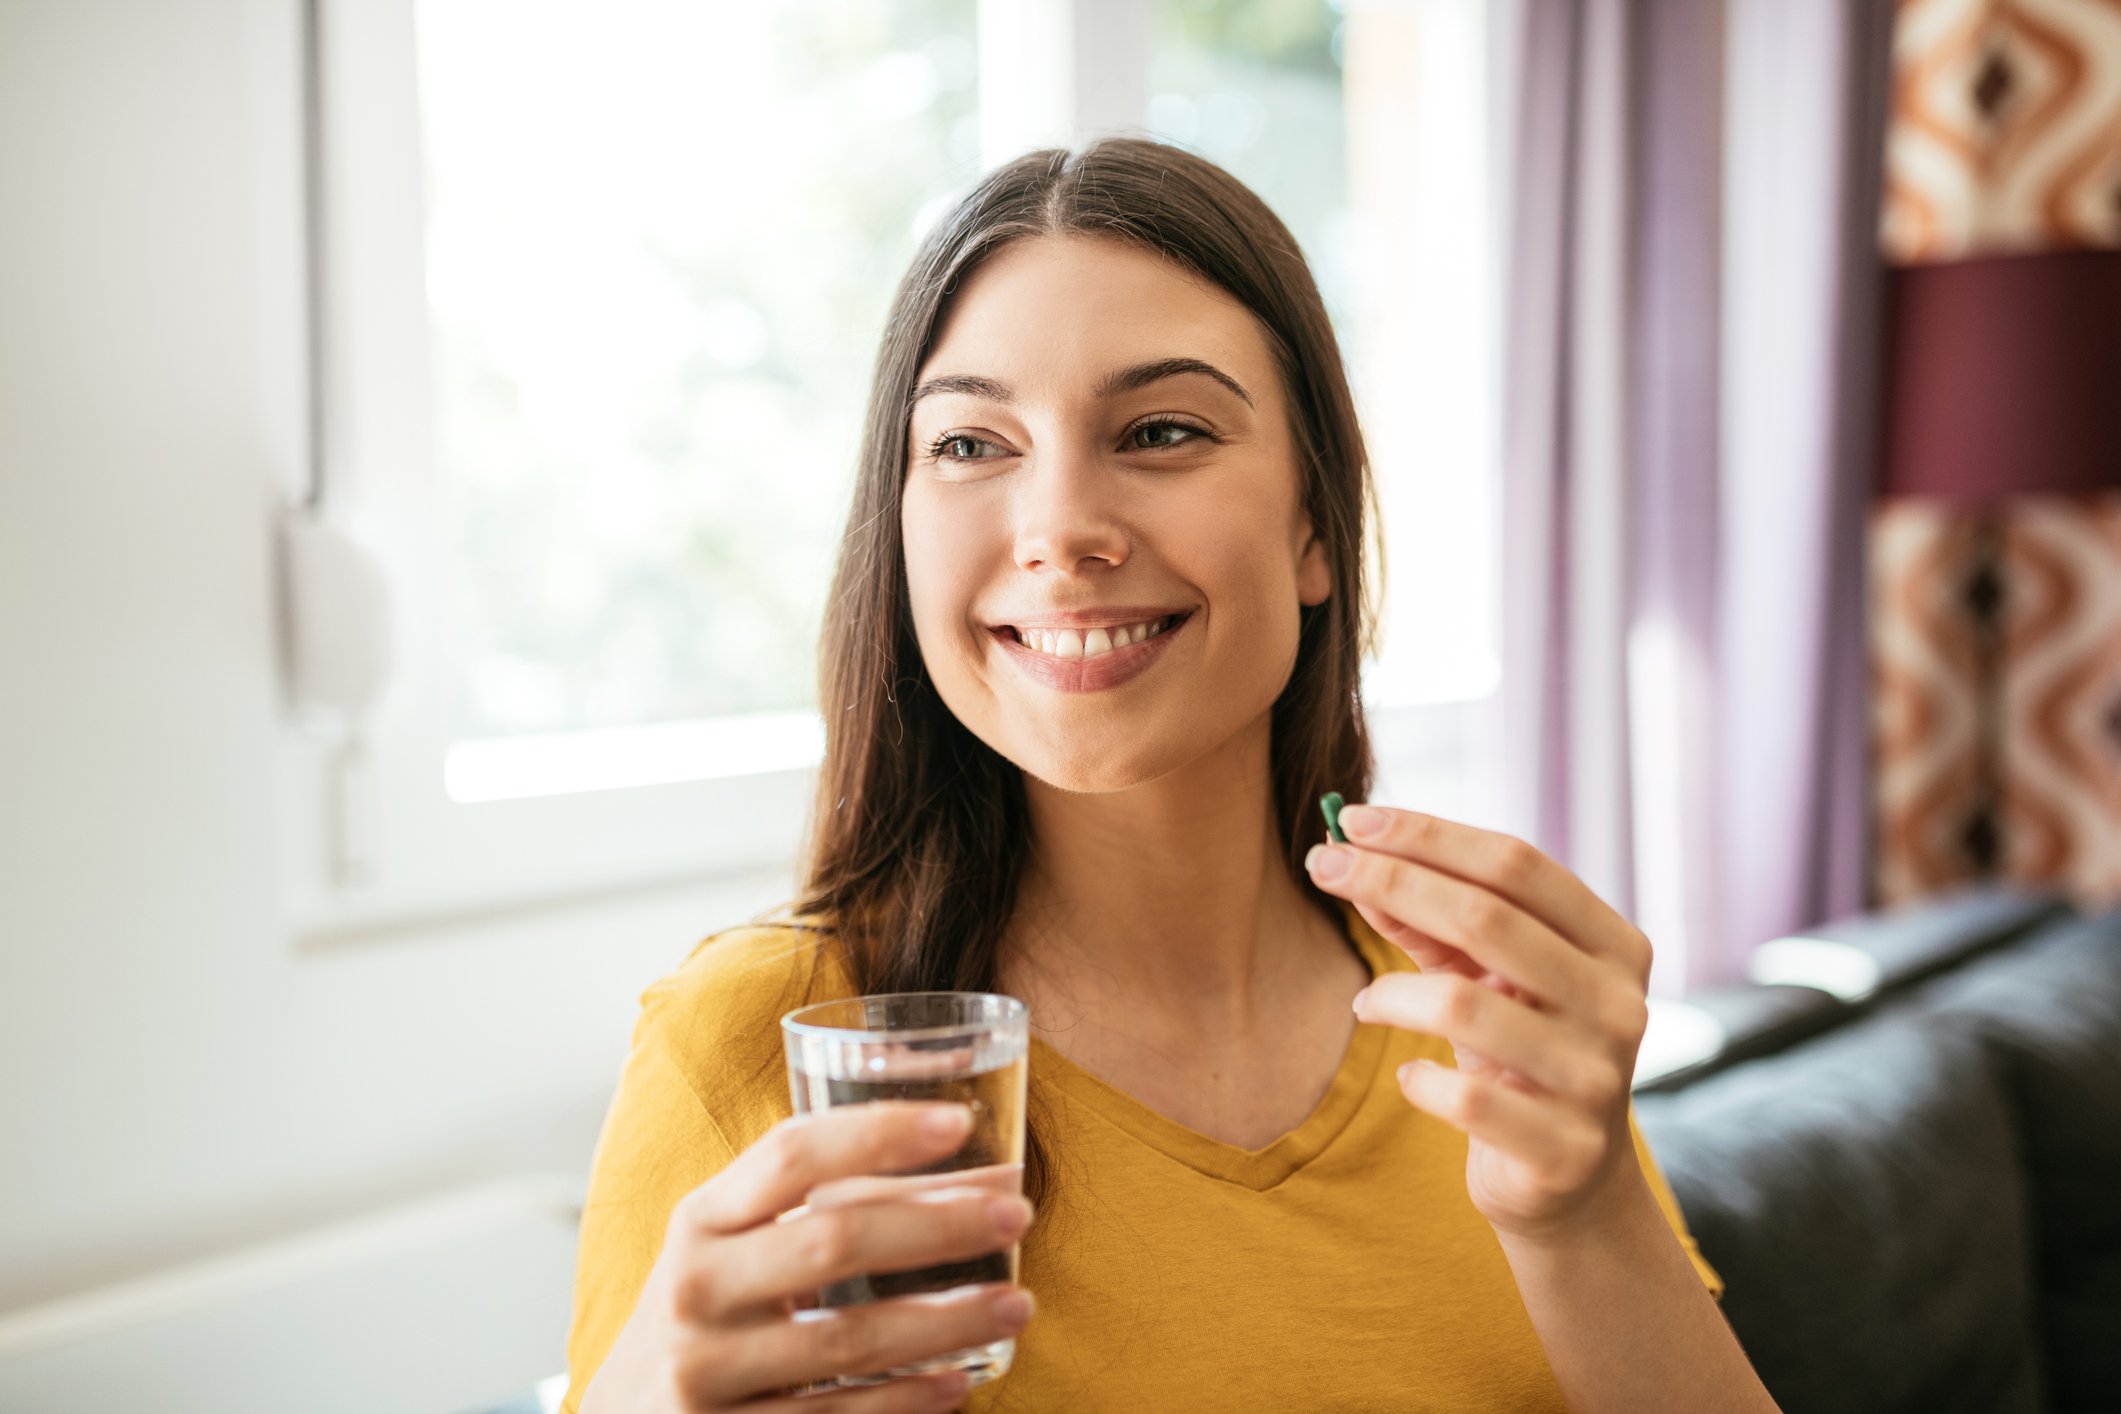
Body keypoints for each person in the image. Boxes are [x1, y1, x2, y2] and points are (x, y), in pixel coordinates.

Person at [562, 138, 1779, 1413]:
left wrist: (1584, 1218)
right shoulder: (753, 1041)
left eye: (1160, 429)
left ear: (1317, 525)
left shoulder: (1474, 1009)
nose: (1060, 530)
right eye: (973, 445)